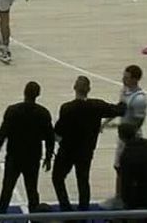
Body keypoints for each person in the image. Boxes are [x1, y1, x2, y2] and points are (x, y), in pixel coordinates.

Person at [52, 76, 126, 211]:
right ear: (89, 89)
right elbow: (120, 110)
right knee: (83, 180)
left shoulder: (67, 108)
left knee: (57, 178)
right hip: (86, 151)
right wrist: (126, 97)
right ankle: (83, 210)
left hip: (67, 150)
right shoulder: (97, 105)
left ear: (74, 88)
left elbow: (58, 131)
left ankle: (65, 207)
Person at [0, 81, 55, 215]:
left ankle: (1, 215)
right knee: (32, 190)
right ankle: (36, 218)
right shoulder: (43, 113)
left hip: (14, 157)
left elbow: (3, 133)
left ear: (24, 92)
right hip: (33, 158)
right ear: (38, 94)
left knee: (7, 189)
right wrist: (48, 157)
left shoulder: (12, 110)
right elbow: (50, 137)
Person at [104, 64, 147, 206]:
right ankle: (119, 196)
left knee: (126, 168)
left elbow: (138, 123)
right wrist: (105, 122)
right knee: (118, 167)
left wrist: (117, 127)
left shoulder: (139, 99)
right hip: (123, 135)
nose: (123, 79)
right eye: (124, 76)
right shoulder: (125, 90)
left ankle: (125, 197)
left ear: (135, 79)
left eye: (127, 77)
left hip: (132, 137)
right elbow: (120, 108)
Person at [117, 122, 147, 209]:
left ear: (121, 137)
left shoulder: (126, 155)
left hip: (142, 194)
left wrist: (124, 199)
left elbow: (126, 181)